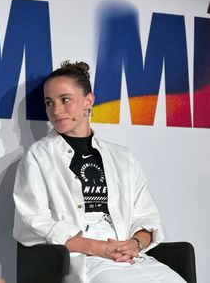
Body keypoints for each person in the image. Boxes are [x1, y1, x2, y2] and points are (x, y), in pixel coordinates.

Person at [13, 61, 186, 283]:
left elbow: (147, 218)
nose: (56, 111)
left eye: (65, 100)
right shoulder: (38, 156)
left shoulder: (123, 157)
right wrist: (99, 248)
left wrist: (134, 245)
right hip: (81, 258)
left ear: (88, 101)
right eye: (49, 102)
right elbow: (33, 222)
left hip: (128, 255)